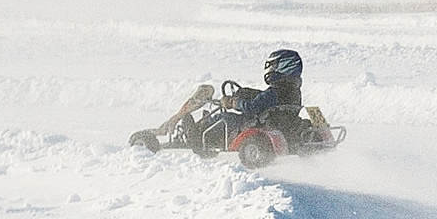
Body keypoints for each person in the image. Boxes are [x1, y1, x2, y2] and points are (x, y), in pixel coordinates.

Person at [137, 49, 328, 153]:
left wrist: (233, 103)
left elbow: (254, 107)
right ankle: (201, 135)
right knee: (228, 116)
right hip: (275, 123)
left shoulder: (276, 90)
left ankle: (193, 134)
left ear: (283, 67)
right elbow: (265, 101)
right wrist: (246, 92)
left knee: (224, 116)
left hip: (258, 124)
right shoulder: (293, 91)